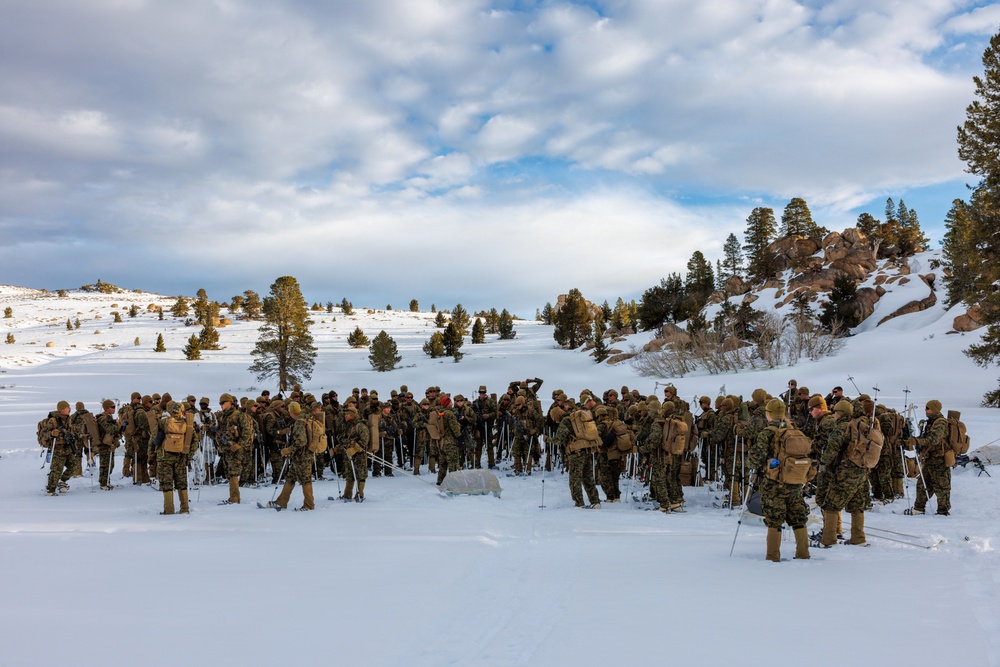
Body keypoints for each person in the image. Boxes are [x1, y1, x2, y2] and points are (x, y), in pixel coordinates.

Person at [749, 400, 811, 561]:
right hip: (795, 481)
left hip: (773, 482)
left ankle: (772, 556)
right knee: (798, 517)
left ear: (768, 414)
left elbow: (755, 459)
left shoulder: (767, 433)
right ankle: (803, 553)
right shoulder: (794, 431)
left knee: (774, 520)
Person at [817, 400, 869, 547]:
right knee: (857, 505)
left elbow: (831, 450)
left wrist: (822, 463)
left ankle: (828, 540)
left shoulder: (840, 428)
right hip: (861, 471)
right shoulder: (859, 426)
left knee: (831, 505)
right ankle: (858, 538)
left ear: (839, 413)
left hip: (845, 473)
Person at [269, 401, 320, 511]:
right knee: (290, 478)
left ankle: (309, 505)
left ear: (291, 412)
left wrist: (288, 450)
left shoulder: (299, 422)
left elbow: (301, 441)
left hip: (303, 457)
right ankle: (281, 502)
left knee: (305, 480)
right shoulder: (306, 418)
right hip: (300, 456)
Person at [905, 400, 952, 516]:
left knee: (941, 487)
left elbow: (934, 439)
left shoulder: (940, 423)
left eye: (928, 408)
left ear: (935, 409)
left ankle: (943, 511)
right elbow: (926, 438)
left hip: (939, 460)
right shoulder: (930, 422)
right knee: (922, 484)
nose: (925, 410)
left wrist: (917, 441)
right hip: (930, 459)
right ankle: (918, 508)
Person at [555, 397, 601, 509]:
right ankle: (595, 500)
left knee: (575, 479)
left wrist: (547, 439)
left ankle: (579, 502)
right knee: (588, 478)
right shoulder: (581, 416)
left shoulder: (566, 420)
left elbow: (559, 439)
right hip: (587, 450)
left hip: (576, 453)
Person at [156, 402, 196, 515]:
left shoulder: (164, 422)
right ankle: (184, 508)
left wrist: (152, 455)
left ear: (171, 411)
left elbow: (155, 438)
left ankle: (168, 510)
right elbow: (194, 441)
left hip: (165, 458)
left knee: (167, 483)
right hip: (181, 458)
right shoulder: (188, 425)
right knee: (182, 483)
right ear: (182, 412)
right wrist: (188, 455)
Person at [216, 392, 253, 504]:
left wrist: (239, 445)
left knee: (233, 474)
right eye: (220, 403)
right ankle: (233, 497)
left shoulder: (238, 415)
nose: (221, 405)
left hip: (235, 450)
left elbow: (247, 431)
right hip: (226, 450)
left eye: (223, 403)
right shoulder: (222, 417)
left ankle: (234, 498)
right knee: (229, 473)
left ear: (230, 403)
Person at [44, 401, 76, 496]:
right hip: (58, 449)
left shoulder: (69, 419)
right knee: (56, 470)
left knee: (74, 466)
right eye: (67, 407)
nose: (69, 409)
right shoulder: (53, 420)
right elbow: (44, 434)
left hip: (68, 448)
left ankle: (62, 480)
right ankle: (50, 490)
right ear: (62, 409)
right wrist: (52, 433)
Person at [341, 407, 370, 502]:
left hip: (359, 454)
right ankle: (347, 494)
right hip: (349, 454)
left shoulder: (360, 426)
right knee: (349, 474)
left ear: (353, 415)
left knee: (360, 474)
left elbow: (365, 440)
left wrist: (354, 449)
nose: (345, 416)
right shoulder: (348, 426)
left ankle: (359, 495)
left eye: (347, 414)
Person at [95, 399, 121, 490]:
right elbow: (109, 429)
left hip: (110, 444)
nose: (114, 409)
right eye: (112, 407)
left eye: (114, 407)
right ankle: (103, 483)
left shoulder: (109, 418)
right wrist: (118, 425)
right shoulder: (102, 418)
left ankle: (106, 481)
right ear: (106, 408)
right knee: (105, 464)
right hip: (104, 445)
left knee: (110, 464)